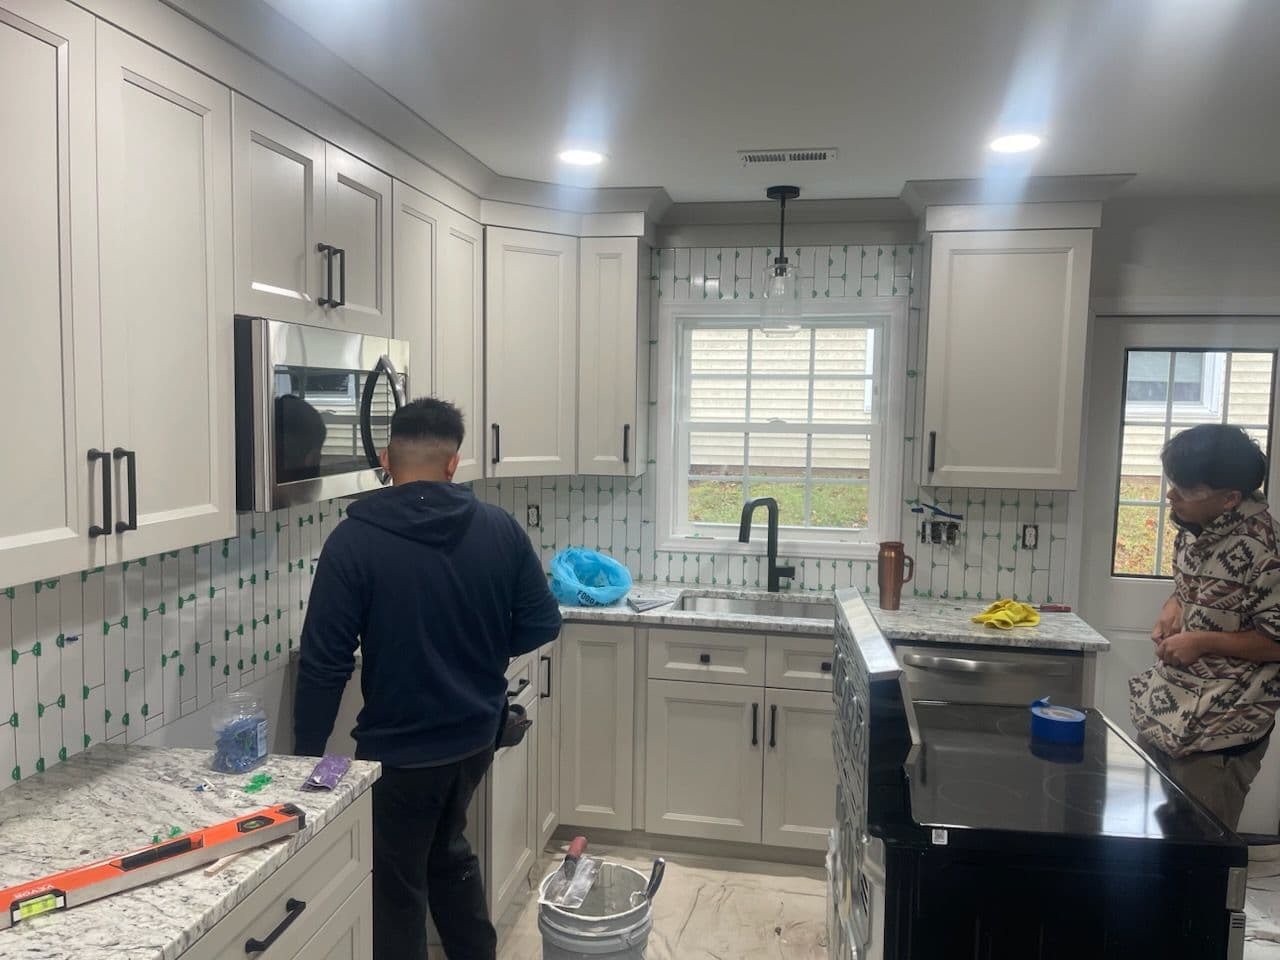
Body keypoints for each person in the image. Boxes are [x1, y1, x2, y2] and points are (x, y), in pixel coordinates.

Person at [294, 397, 562, 959]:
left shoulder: (353, 542)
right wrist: (480, 649)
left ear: (387, 460)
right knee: (446, 853)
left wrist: (301, 761)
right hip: (473, 740)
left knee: (397, 890)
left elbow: (325, 661)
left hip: (400, 755)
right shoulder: (499, 529)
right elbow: (543, 620)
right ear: (452, 464)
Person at [1130, 423, 1280, 831]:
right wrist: (1172, 605)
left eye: (1185, 489)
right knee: (1149, 836)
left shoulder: (1266, 551)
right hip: (1169, 713)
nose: (1170, 496)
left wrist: (1201, 641)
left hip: (1222, 733)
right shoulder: (1196, 529)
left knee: (1199, 852)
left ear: (1230, 498)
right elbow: (1189, 585)